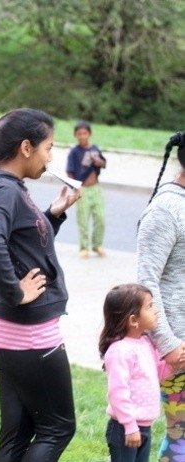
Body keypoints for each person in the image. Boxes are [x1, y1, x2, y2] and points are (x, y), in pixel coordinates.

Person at [0, 108, 80, 461]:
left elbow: (21, 239)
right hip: (28, 332)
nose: (51, 157)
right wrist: (16, 290)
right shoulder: (3, 189)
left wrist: (53, 213)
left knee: (18, 431)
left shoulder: (0, 183)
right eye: (49, 147)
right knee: (58, 428)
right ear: (26, 147)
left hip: (7, 327)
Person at [137, 131, 185, 460]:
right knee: (180, 439)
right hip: (179, 349)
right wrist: (168, 343)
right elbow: (146, 280)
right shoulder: (167, 209)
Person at [99, 283, 172, 462]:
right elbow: (118, 392)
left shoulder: (146, 343)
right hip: (125, 428)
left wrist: (174, 363)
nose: (156, 311)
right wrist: (130, 427)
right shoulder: (120, 350)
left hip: (143, 427)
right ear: (133, 320)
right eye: (149, 306)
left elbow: (157, 375)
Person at [66, 120, 107, 258]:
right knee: (83, 219)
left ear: (89, 134)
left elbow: (103, 163)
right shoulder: (74, 152)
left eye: (85, 133)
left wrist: (98, 161)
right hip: (82, 188)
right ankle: (84, 248)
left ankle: (97, 245)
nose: (82, 136)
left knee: (100, 218)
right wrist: (74, 187)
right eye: (79, 134)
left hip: (95, 188)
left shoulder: (95, 149)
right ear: (75, 135)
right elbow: (70, 171)